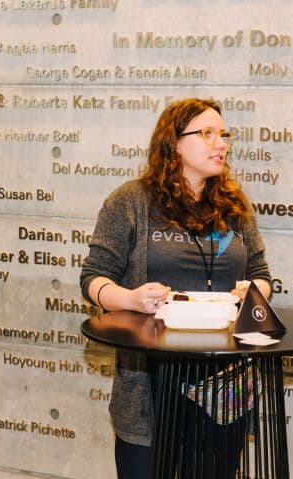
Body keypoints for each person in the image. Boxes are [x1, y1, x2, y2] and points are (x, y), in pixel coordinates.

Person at [80, 97, 272, 478]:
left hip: (224, 381)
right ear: (175, 143)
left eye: (223, 134)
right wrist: (132, 299)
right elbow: (93, 279)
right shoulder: (130, 202)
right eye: (207, 133)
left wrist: (253, 292)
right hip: (150, 382)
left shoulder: (235, 205)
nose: (221, 143)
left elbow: (262, 274)